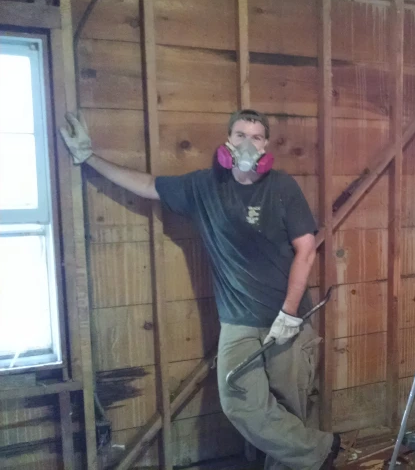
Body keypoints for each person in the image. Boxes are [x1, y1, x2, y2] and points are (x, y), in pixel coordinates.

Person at [60, 109, 340, 470]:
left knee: (291, 408)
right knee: (239, 401)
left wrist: (289, 313)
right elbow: (148, 185)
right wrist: (89, 158)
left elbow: (306, 249)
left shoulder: (282, 188)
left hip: (287, 318)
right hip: (238, 323)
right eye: (240, 135)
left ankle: (304, 460)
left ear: (266, 145)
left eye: (256, 137)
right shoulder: (203, 187)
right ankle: (323, 450)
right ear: (228, 141)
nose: (248, 144)